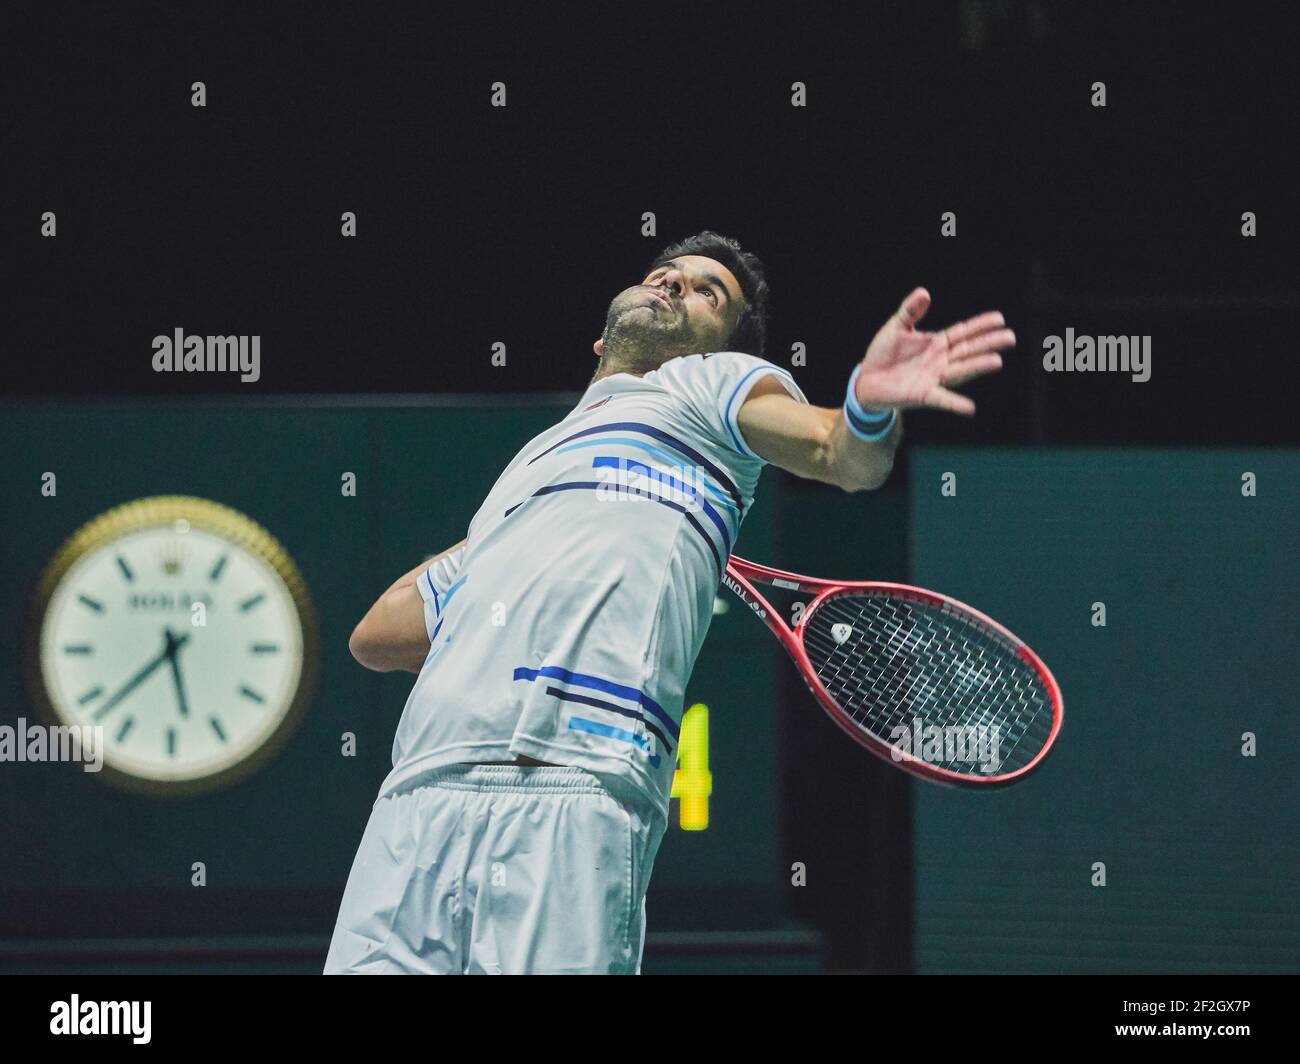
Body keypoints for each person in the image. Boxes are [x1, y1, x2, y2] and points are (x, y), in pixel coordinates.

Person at [324, 230, 1014, 973]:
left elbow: (837, 455)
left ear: (721, 346)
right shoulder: (525, 471)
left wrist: (868, 411)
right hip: (418, 799)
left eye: (708, 292)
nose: (677, 286)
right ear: (600, 340)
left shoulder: (707, 386)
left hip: (572, 791)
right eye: (667, 275)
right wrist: (500, 546)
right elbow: (376, 635)